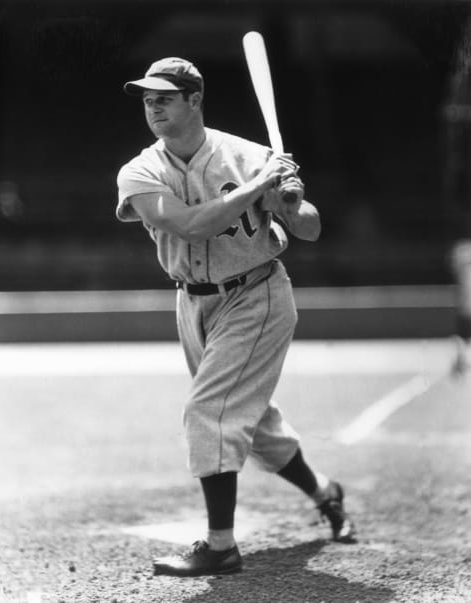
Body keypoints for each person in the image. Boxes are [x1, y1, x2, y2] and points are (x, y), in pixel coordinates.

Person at [116, 57, 356, 577]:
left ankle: (221, 546)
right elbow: (188, 226)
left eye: (164, 97)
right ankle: (325, 491)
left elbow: (310, 229)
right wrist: (258, 186)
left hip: (257, 295)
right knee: (253, 420)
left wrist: (290, 202)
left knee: (211, 410)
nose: (152, 106)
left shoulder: (248, 156)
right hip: (193, 304)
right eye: (147, 99)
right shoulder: (141, 170)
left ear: (194, 100)